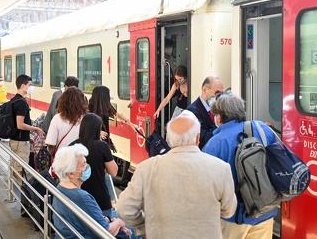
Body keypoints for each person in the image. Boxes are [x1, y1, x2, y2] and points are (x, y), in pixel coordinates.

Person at [116, 110, 237, 239]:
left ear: (170, 139)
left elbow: (124, 209)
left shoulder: (146, 168)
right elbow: (228, 211)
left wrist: (146, 225)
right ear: (198, 137)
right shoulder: (221, 168)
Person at [202, 92, 277, 239]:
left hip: (233, 218)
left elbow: (206, 186)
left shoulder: (214, 144)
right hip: (265, 212)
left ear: (219, 117)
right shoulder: (263, 128)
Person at [52, 144, 131, 239]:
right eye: (83, 165)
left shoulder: (60, 188)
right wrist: (119, 222)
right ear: (71, 173)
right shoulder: (82, 197)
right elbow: (106, 232)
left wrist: (109, 221)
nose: (87, 166)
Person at [70, 113, 118, 217]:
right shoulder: (102, 146)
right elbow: (114, 172)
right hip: (100, 200)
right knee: (104, 230)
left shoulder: (72, 146)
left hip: (79, 198)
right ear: (98, 129)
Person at [10, 74, 44, 183]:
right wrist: (36, 129)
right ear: (23, 86)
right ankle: (22, 192)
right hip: (20, 142)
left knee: (16, 166)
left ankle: (19, 190)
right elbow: (20, 124)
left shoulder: (14, 100)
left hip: (16, 139)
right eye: (30, 85)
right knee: (20, 168)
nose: (31, 87)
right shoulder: (21, 103)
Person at [45, 86, 87, 157]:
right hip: (80, 160)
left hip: (62, 161)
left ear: (63, 101)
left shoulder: (57, 118)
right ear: (82, 101)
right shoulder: (86, 119)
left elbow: (51, 144)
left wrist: (56, 156)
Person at [186, 75, 224, 149]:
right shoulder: (192, 112)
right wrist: (217, 124)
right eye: (217, 93)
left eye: (221, 94)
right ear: (204, 90)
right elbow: (203, 141)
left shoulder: (219, 108)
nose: (219, 97)